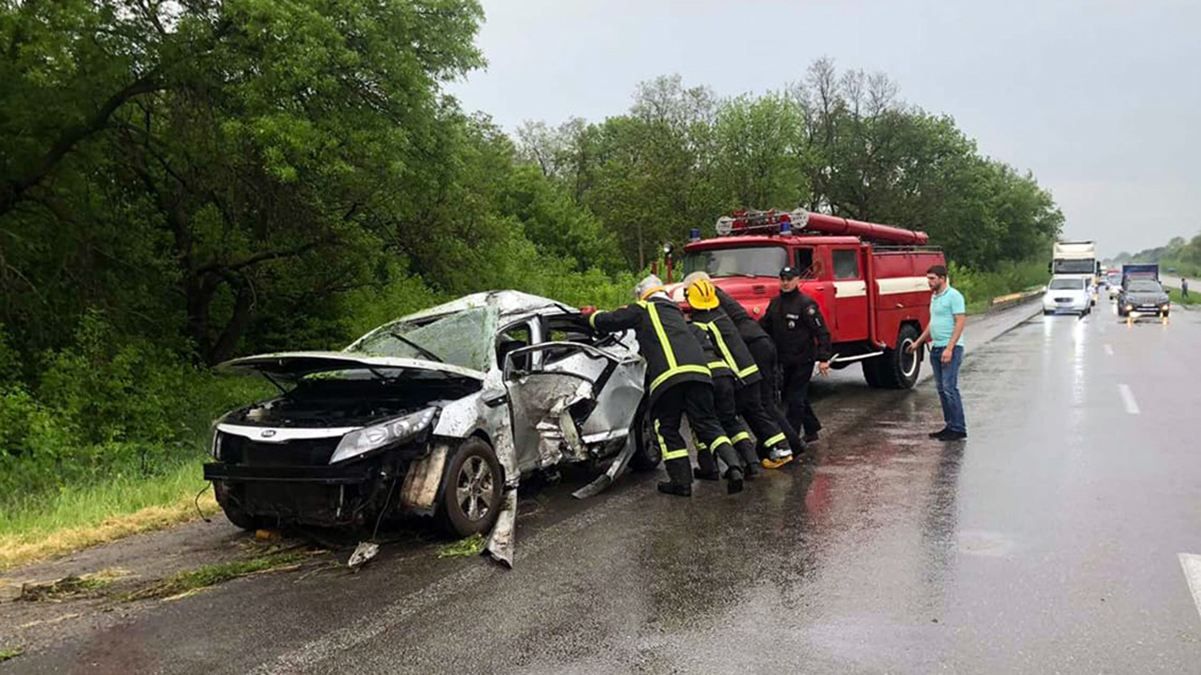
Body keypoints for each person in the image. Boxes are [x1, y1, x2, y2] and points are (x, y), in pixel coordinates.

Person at [583, 275, 742, 496]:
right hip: (701, 375)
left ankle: (681, 483)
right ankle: (734, 467)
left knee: (667, 428)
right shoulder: (675, 312)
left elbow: (609, 321)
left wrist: (591, 315)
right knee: (708, 423)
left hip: (670, 377)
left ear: (642, 294)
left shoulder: (644, 308)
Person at [684, 271, 806, 456]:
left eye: (687, 291)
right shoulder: (716, 295)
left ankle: (790, 445)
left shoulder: (706, 297)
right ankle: (781, 443)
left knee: (761, 403)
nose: (687, 296)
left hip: (752, 347)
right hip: (760, 342)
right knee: (765, 402)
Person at [759, 266, 832, 446]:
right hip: (783, 360)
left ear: (797, 280)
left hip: (803, 360)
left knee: (795, 399)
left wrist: (824, 358)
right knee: (793, 396)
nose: (785, 283)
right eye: (782, 278)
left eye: (789, 279)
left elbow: (821, 331)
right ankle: (812, 428)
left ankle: (792, 438)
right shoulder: (775, 303)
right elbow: (764, 327)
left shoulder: (806, 304)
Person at [908, 264, 967, 441]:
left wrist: (950, 348)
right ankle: (949, 425)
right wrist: (918, 343)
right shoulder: (934, 297)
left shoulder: (954, 296)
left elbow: (960, 322)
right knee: (941, 389)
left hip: (951, 348)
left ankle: (958, 427)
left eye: (932, 279)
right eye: (928, 279)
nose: (929, 282)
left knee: (950, 388)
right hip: (936, 347)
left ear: (942, 278)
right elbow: (932, 324)